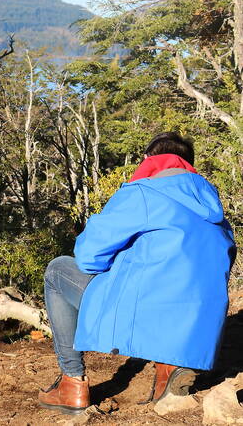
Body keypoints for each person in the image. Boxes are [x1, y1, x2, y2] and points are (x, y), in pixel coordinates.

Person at [38, 132, 236, 415]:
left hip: (148, 311)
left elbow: (89, 258)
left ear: (147, 160)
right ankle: (171, 363)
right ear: (188, 165)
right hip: (197, 326)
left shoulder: (143, 193)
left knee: (57, 269)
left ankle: (72, 382)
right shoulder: (215, 209)